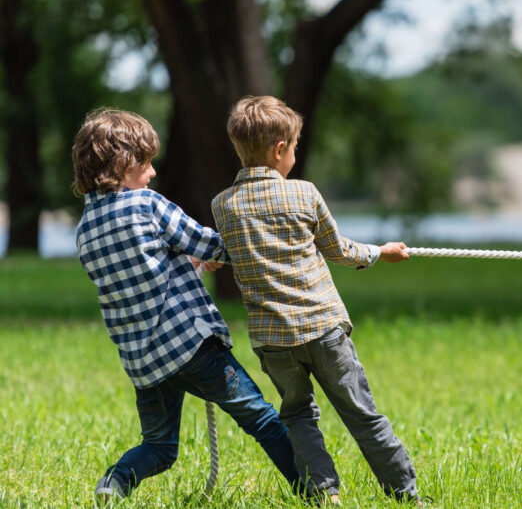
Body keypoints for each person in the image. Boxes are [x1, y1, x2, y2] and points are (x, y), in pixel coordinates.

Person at [72, 108, 300, 502]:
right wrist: (246, 244)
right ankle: (313, 491)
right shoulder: (146, 204)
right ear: (122, 164)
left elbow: (143, 273)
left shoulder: (85, 230)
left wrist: (190, 261)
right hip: (192, 348)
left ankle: (115, 481)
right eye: (145, 163)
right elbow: (208, 243)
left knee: (159, 447)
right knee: (261, 418)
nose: (152, 172)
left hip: (145, 362)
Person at [211, 96, 418, 506]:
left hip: (273, 342)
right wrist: (381, 252)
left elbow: (234, 249)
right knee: (362, 415)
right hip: (323, 330)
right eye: (295, 146)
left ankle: (325, 495)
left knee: (298, 416)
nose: (295, 153)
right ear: (279, 150)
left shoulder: (222, 205)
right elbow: (339, 249)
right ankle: (406, 494)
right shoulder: (304, 194)